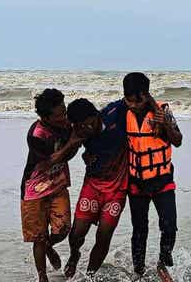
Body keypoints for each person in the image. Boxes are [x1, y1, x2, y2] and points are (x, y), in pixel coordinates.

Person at [123, 73, 182, 281]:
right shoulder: (124, 112)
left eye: (134, 101)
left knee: (169, 225)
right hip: (136, 182)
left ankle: (162, 262)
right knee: (139, 229)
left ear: (145, 95)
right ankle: (138, 271)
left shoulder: (164, 111)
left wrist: (165, 123)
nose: (131, 105)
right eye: (127, 100)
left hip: (162, 179)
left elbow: (178, 140)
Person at [63, 98, 130, 279]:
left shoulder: (115, 113)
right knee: (77, 232)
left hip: (117, 188)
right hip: (93, 185)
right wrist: (76, 144)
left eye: (88, 124)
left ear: (96, 116)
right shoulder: (78, 131)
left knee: (104, 234)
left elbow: (136, 96)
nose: (86, 129)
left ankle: (90, 275)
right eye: (80, 127)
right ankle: (74, 254)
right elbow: (66, 155)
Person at [21, 88, 82, 282]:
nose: (64, 117)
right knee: (38, 237)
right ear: (45, 117)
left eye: (64, 111)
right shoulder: (36, 134)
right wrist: (73, 141)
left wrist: (75, 142)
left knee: (63, 228)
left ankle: (48, 245)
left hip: (58, 185)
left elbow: (68, 157)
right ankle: (42, 276)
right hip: (34, 189)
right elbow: (53, 160)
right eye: (59, 115)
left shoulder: (66, 125)